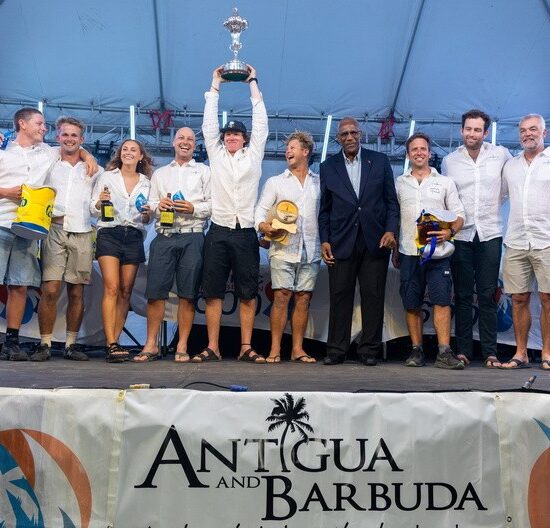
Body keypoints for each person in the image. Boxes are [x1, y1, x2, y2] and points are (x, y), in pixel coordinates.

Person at [0, 108, 96, 362]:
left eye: (44, 125)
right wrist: (6, 192)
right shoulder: (5, 150)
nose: (44, 128)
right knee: (36, 288)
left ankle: (12, 342)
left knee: (20, 286)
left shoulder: (46, 152)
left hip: (30, 228)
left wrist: (88, 155)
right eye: (40, 123)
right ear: (23, 124)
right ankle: (34, 343)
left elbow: (74, 148)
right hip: (4, 223)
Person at [196, 64, 268, 363]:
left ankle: (245, 347)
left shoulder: (254, 155)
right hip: (218, 230)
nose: (231, 137)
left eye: (237, 133)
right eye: (228, 133)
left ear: (245, 138)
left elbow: (261, 122)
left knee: (248, 292)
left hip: (246, 232)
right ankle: (213, 346)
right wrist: (215, 85)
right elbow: (208, 125)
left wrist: (252, 82)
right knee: (213, 291)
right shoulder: (216, 154)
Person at [318, 117, 399, 366]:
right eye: (344, 134)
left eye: (353, 132)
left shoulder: (380, 161)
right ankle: (336, 350)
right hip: (341, 241)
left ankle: (369, 350)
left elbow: (391, 202)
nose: (349, 137)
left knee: (373, 297)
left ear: (360, 134)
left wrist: (391, 231)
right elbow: (325, 209)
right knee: (339, 296)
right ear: (338, 139)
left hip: (376, 241)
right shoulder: (328, 167)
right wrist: (324, 240)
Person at [441, 109, 512, 368]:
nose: (472, 134)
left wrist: (494, 205)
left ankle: (490, 352)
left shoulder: (501, 155)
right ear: (462, 130)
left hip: (490, 232)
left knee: (487, 294)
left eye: (477, 130)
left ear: (485, 132)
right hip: (461, 234)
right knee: (461, 295)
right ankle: (463, 351)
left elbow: (509, 186)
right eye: (468, 129)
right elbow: (447, 198)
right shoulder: (449, 161)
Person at [134, 127, 211, 363]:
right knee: (155, 293)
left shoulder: (205, 171)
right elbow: (149, 206)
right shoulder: (160, 174)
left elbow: (214, 205)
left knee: (188, 295)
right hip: (164, 236)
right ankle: (151, 344)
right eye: (181, 138)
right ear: (173, 142)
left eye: (190, 139)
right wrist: (158, 206)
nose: (185, 142)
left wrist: (193, 208)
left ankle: (182, 345)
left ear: (195, 145)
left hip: (193, 235)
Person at [31, 117, 103, 362]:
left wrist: (87, 155)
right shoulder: (49, 159)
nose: (69, 139)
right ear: (57, 137)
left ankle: (71, 345)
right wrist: (86, 153)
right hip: (54, 229)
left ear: (82, 139)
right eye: (65, 134)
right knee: (50, 289)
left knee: (76, 292)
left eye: (74, 136)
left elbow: (96, 206)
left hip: (83, 231)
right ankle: (45, 343)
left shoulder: (95, 169)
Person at [395, 132, 465, 369]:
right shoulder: (399, 183)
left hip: (438, 253)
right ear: (408, 154)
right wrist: (394, 249)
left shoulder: (445, 182)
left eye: (423, 148)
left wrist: (450, 232)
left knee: (442, 301)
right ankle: (416, 350)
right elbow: (394, 217)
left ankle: (444, 352)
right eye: (414, 149)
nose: (419, 152)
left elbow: (459, 215)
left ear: (429, 153)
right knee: (411, 303)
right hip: (408, 252)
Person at [255, 131, 320, 363]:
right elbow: (260, 210)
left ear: (306, 151)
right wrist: (262, 226)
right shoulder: (275, 182)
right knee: (281, 297)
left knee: (303, 298)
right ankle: (275, 349)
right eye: (287, 148)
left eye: (293, 147)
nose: (287, 151)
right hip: (283, 248)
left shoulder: (319, 182)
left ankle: (297, 349)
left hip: (311, 248)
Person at [91, 139, 153, 363]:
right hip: (109, 233)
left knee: (126, 291)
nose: (128, 152)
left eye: (133, 150)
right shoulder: (107, 177)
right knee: (112, 287)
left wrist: (147, 214)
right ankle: (110, 343)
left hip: (134, 235)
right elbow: (93, 208)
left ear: (141, 156)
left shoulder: (147, 183)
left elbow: (148, 218)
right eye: (125, 149)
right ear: (120, 154)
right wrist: (100, 202)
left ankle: (115, 342)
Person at [500, 114, 550, 371]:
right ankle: (521, 353)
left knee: (548, 298)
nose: (527, 134)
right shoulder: (510, 165)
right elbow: (499, 197)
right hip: (516, 240)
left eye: (533, 129)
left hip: (547, 240)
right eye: (522, 130)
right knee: (518, 298)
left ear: (544, 132)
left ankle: (547, 353)